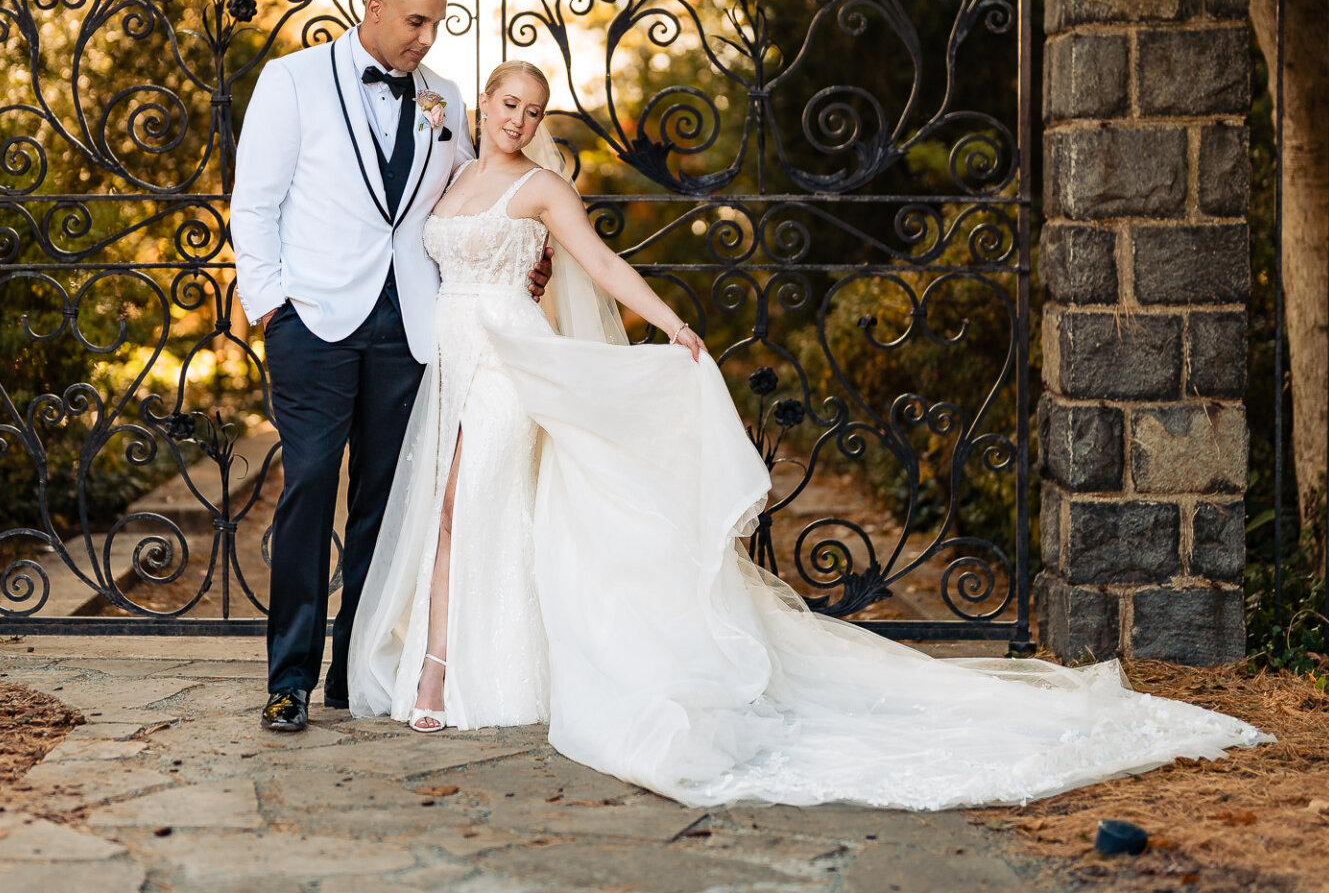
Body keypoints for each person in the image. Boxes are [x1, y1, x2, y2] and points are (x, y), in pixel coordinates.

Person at [350, 59, 1271, 809]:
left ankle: (437, 677)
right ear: (485, 107)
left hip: (514, 367)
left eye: (533, 109)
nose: (517, 118)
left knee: (466, 506)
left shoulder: (544, 188)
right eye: (508, 104)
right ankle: (479, 667)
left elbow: (599, 265)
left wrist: (671, 326)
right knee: (453, 510)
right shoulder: (454, 170)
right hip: (451, 365)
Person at [230, 0, 546, 734]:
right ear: (371, 8)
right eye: (416, 22)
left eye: (435, 23)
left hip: (412, 324)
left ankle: (354, 671)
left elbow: (470, 196)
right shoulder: (291, 80)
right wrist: (272, 306)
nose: (427, 38)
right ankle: (290, 678)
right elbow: (255, 201)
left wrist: (523, 257)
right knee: (308, 486)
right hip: (316, 321)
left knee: (386, 501)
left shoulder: (443, 97)